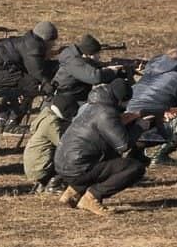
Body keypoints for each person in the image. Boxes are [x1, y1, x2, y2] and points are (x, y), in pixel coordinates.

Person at [54, 79, 147, 216]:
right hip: (79, 168)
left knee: (108, 157)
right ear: (122, 99)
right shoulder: (107, 113)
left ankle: (72, 192)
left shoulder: (91, 106)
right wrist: (142, 126)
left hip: (65, 165)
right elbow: (123, 145)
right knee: (135, 167)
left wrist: (129, 118)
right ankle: (92, 197)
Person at [126, 49, 177, 165]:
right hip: (148, 124)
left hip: (129, 118)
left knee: (158, 110)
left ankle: (136, 153)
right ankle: (161, 155)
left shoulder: (150, 72)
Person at [23, 94, 79, 193]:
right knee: (70, 158)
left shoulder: (46, 115)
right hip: (40, 168)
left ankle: (45, 182)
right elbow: (63, 145)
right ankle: (53, 185)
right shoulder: (51, 122)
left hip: (34, 165)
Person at [0, 20, 59, 90]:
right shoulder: (33, 48)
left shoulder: (28, 41)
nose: (54, 44)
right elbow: (36, 73)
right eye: (53, 41)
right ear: (46, 39)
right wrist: (49, 85)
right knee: (31, 83)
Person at [52, 34, 121, 103]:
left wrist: (106, 65)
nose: (99, 57)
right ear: (88, 55)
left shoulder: (75, 55)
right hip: (67, 99)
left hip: (72, 95)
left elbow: (93, 65)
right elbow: (95, 77)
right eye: (97, 54)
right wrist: (112, 71)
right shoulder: (74, 62)